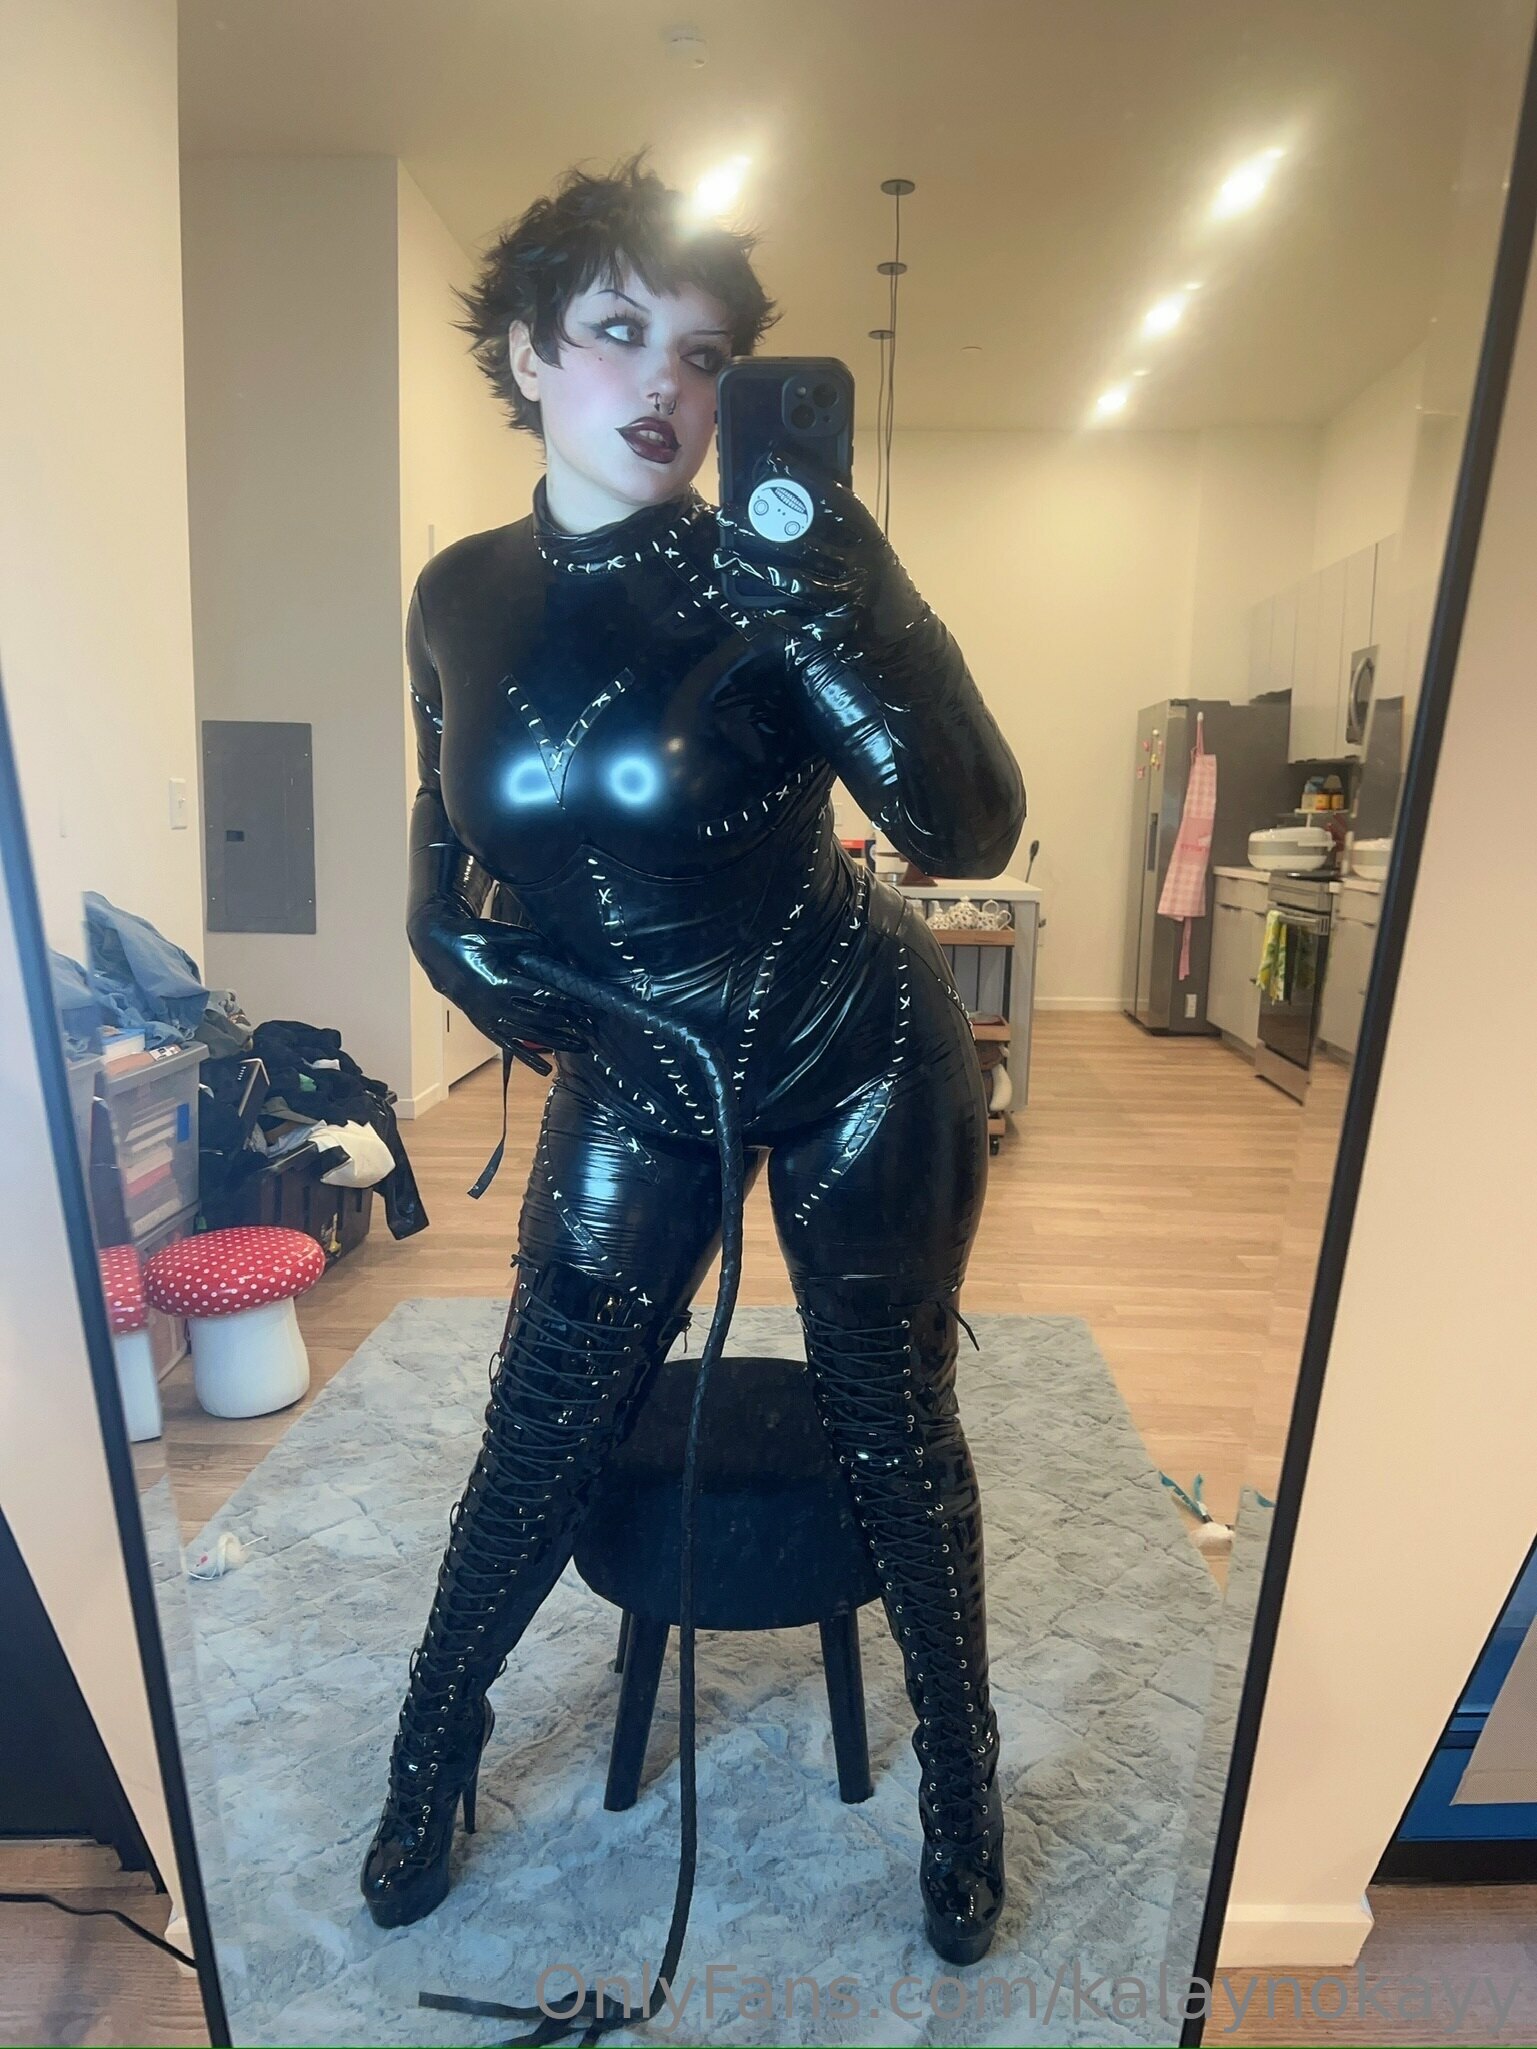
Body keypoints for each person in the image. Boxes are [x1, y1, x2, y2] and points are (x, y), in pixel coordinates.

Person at [360, 153, 1026, 1969]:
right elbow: (441, 790)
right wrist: (433, 921)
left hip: (853, 1042)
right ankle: (432, 1745)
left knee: (893, 1422)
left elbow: (964, 825)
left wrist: (854, 592)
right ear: (527, 352)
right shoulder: (455, 589)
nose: (666, 382)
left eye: (707, 352)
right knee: (541, 1420)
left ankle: (962, 1785)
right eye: (617, 331)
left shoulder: (771, 571)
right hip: (635, 1059)